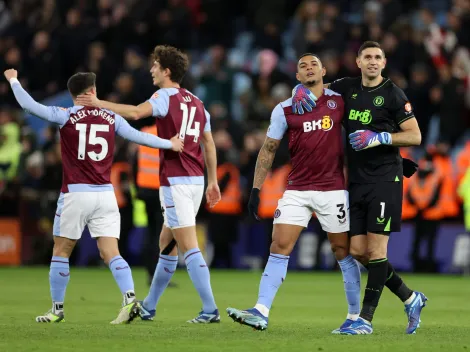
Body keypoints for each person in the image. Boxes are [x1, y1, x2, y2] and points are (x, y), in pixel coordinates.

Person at [4, 69, 183, 324]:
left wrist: (13, 79)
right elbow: (140, 137)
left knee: (61, 250)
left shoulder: (65, 115)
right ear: (92, 91)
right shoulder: (111, 117)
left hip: (75, 193)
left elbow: (28, 105)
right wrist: (170, 144)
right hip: (105, 194)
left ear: (73, 94)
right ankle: (130, 298)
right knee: (112, 252)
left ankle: (57, 309)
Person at [76, 45, 222, 323]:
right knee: (166, 243)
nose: (151, 70)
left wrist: (99, 103)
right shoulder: (197, 101)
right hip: (195, 180)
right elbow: (209, 144)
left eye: (155, 66)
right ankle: (150, 306)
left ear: (167, 71)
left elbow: (134, 113)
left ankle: (210, 309)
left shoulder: (164, 96)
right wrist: (212, 181)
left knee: (189, 246)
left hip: (176, 182)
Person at [291, 41, 426, 335]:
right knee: (357, 250)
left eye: (378, 57)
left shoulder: (393, 94)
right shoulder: (346, 87)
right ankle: (410, 297)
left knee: (376, 249)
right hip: (356, 181)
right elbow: (316, 87)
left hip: (385, 180)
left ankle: (363, 320)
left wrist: (380, 138)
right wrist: (297, 90)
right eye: (368, 57)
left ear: (384, 62)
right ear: (358, 61)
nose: (373, 61)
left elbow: (414, 135)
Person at [226, 53, 356, 331]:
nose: (308, 68)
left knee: (342, 251)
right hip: (297, 189)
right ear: (297, 76)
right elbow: (269, 148)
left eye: (313, 64)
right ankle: (260, 310)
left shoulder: (339, 101)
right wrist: (256, 188)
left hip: (333, 190)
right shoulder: (284, 108)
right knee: (279, 246)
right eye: (302, 66)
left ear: (323, 70)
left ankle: (355, 318)